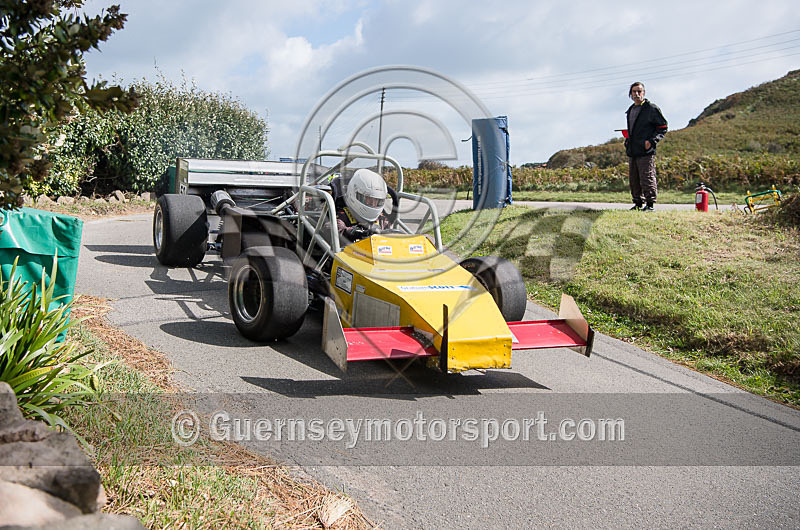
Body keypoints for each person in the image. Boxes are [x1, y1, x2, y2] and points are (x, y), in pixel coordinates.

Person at [625, 82, 668, 211]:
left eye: (639, 91)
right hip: (633, 149)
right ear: (630, 94)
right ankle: (638, 203)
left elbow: (663, 127)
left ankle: (650, 204)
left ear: (644, 93)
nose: (637, 94)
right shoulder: (631, 110)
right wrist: (627, 140)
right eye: (634, 92)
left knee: (647, 177)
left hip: (646, 150)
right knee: (634, 178)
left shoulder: (651, 108)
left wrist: (651, 141)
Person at [336, 168, 391, 243]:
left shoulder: (381, 220)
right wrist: (355, 233)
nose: (373, 204)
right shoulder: (342, 215)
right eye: (369, 199)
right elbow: (334, 230)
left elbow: (390, 234)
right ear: (354, 194)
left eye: (377, 200)